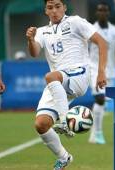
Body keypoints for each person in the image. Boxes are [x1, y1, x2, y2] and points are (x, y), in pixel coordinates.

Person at [26, 0, 107, 169]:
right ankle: (64, 157)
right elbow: (34, 53)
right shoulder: (42, 31)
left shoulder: (75, 21)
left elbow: (102, 42)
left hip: (79, 75)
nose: (54, 10)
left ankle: (64, 121)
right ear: (45, 10)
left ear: (64, 7)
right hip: (59, 83)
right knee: (41, 124)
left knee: (50, 76)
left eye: (57, 6)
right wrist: (31, 39)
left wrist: (101, 72)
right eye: (50, 7)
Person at [88, 0, 115, 144]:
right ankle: (98, 134)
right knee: (99, 98)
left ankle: (94, 134)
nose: (102, 13)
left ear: (109, 12)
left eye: (105, 10)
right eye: (100, 10)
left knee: (102, 104)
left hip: (110, 72)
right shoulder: (90, 30)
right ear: (96, 13)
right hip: (94, 69)